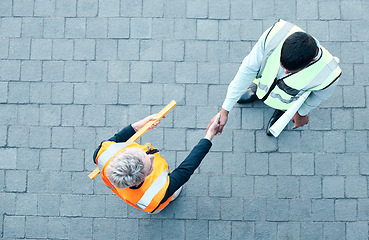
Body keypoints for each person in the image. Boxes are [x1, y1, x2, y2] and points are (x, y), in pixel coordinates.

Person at [207, 19, 342, 136]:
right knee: (259, 85)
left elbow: (317, 98)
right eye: (282, 65)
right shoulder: (276, 35)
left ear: (312, 60)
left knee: (284, 106)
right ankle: (257, 92)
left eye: (289, 72)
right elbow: (247, 70)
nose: (283, 72)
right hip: (263, 84)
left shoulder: (329, 74)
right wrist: (225, 110)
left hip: (286, 101)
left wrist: (300, 113)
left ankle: (281, 112)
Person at [93, 113, 220, 213]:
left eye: (145, 154)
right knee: (173, 193)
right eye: (149, 167)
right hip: (159, 201)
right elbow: (186, 169)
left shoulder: (103, 153)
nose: (152, 157)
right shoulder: (159, 193)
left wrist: (140, 125)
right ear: (143, 178)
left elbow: (118, 138)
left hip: (131, 196)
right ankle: (173, 197)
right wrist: (209, 136)